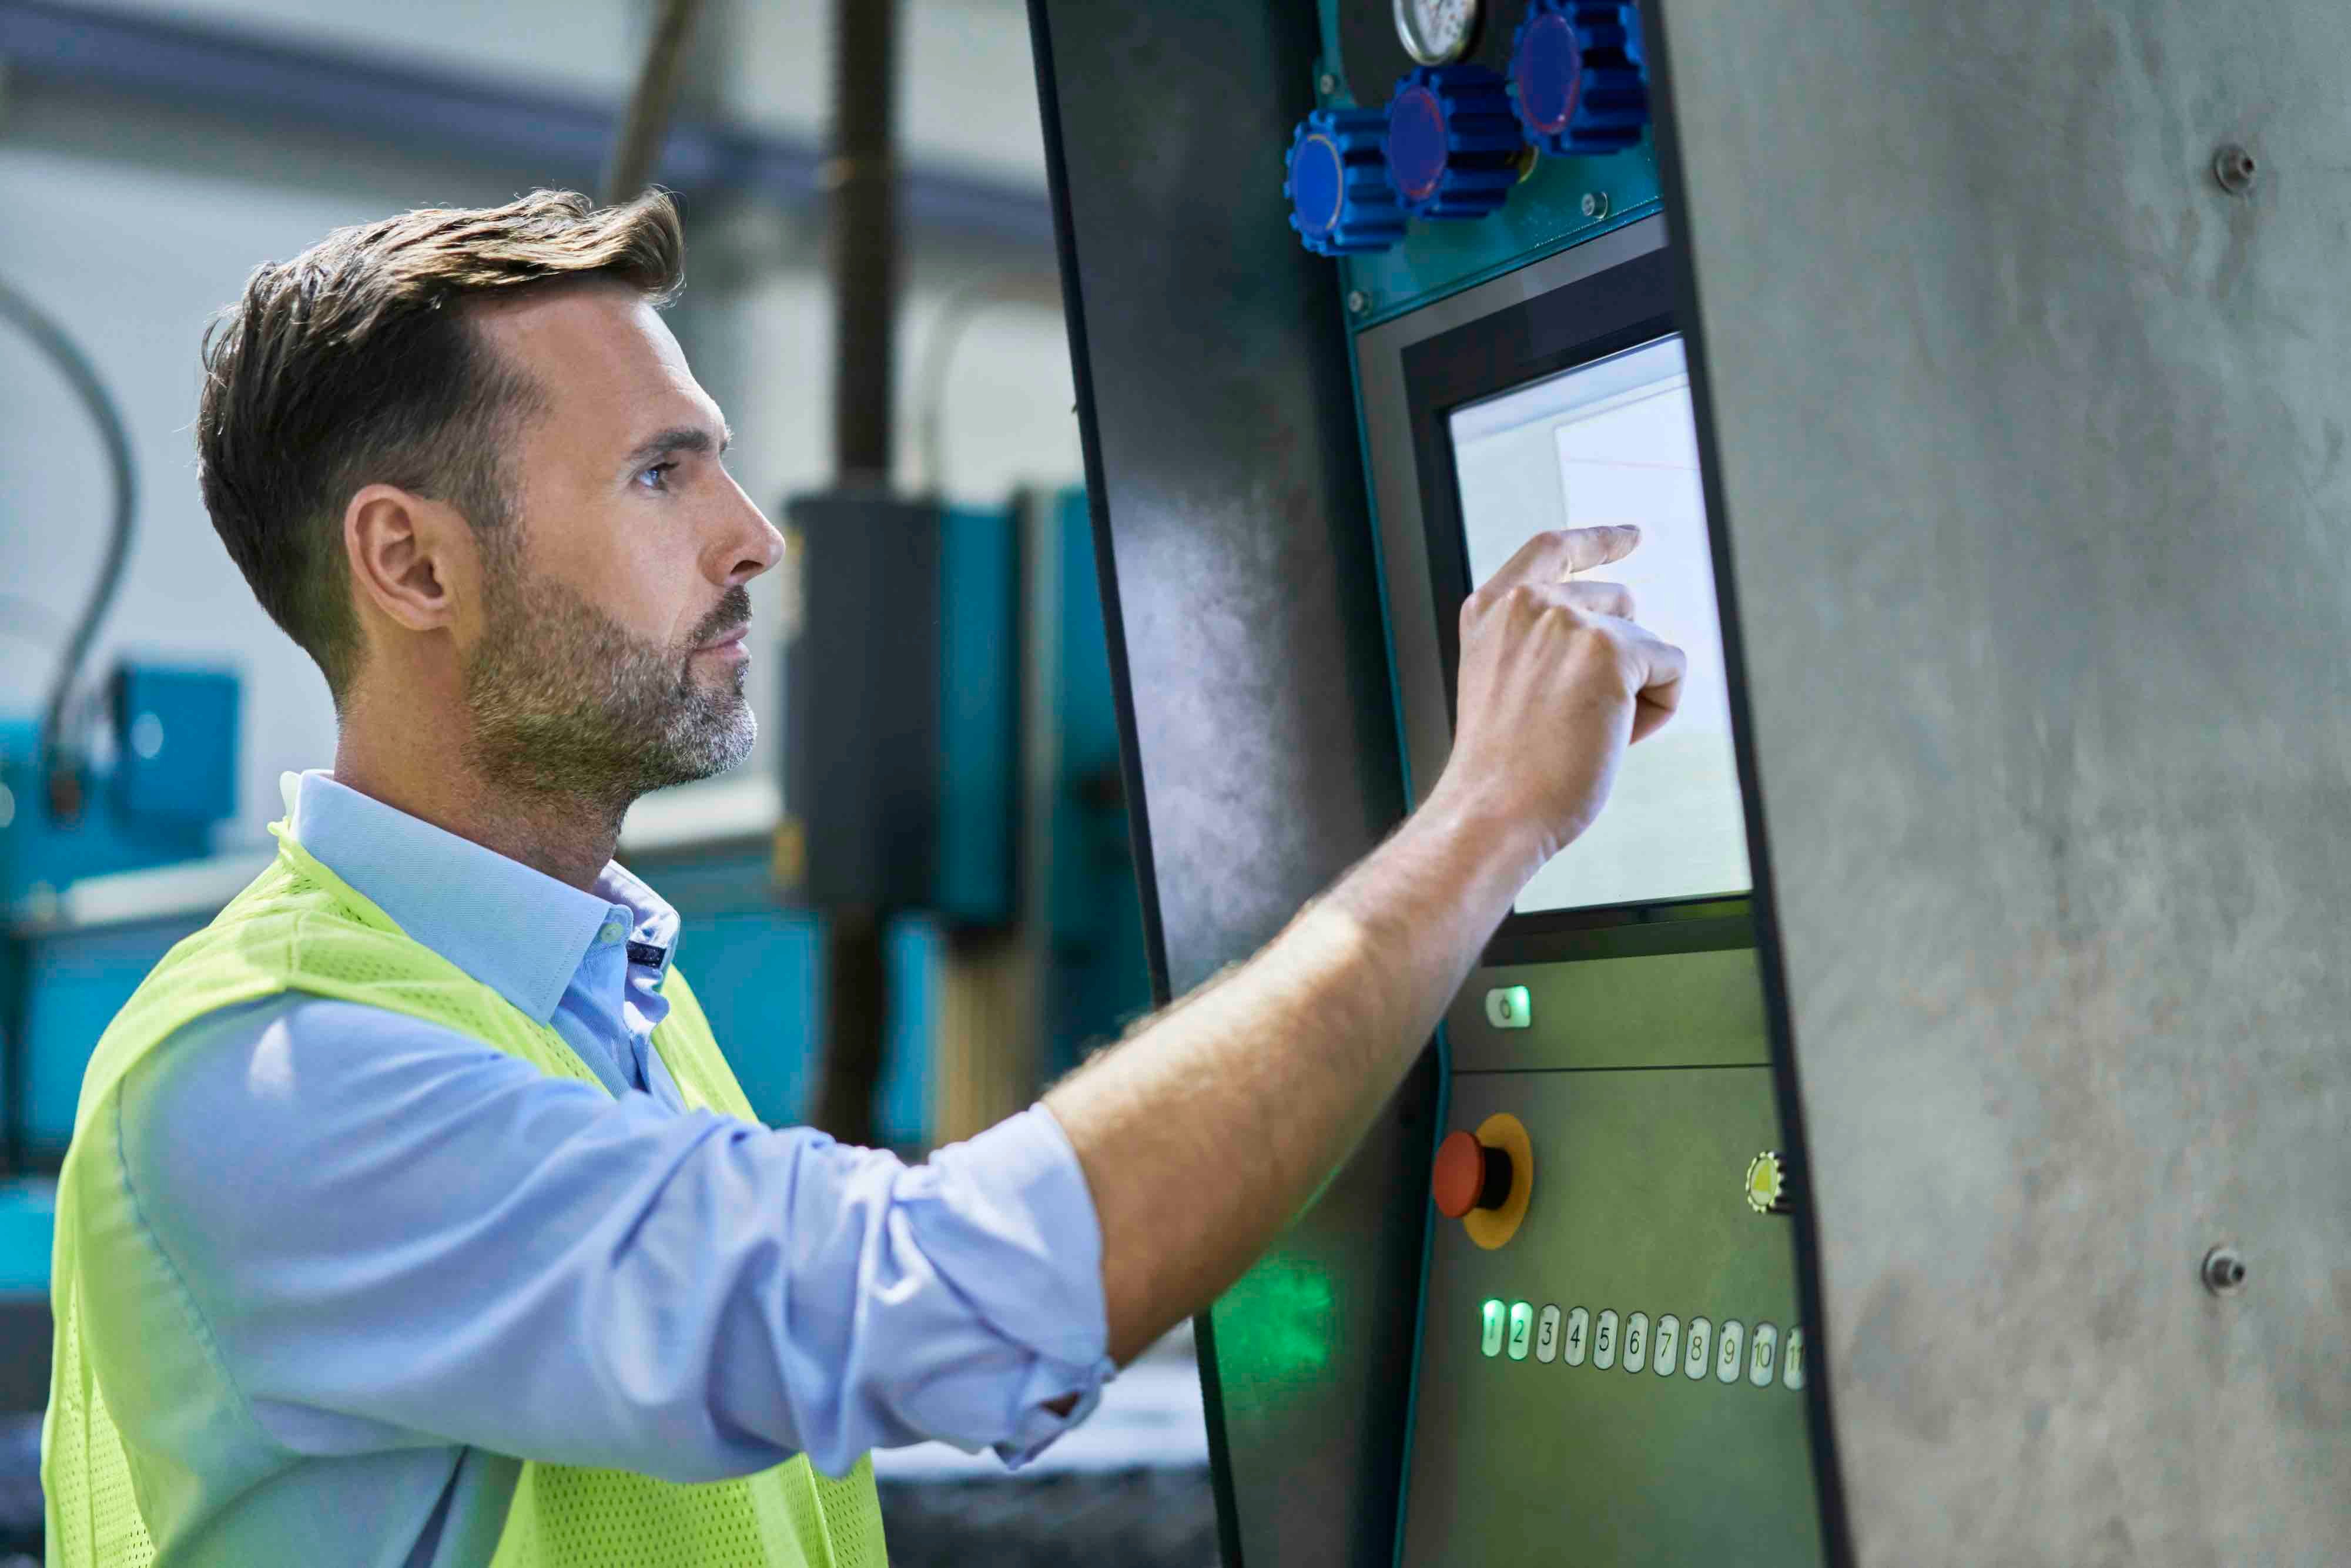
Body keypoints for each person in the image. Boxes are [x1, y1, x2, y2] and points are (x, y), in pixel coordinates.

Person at [42, 189, 1684, 1568]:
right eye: (661, 472)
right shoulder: (279, 1075)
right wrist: (1486, 821)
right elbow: (952, 1295)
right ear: (411, 562)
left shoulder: (602, 994)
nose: (752, 532)